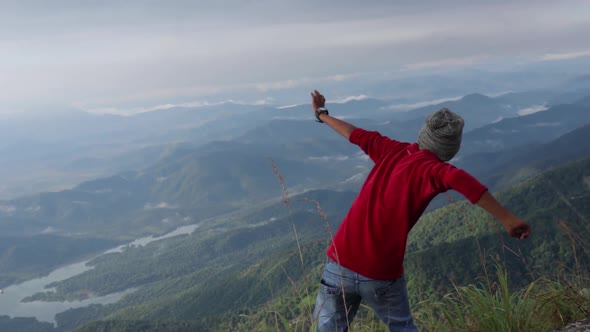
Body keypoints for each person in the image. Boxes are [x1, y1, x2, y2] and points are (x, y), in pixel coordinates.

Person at [309, 90, 531, 332]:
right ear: (450, 149)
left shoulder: (389, 149)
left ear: (423, 134)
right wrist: (508, 219)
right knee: (402, 327)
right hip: (380, 272)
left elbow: (352, 133)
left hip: (338, 263)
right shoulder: (434, 170)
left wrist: (321, 114)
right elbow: (467, 183)